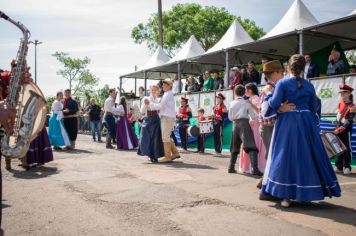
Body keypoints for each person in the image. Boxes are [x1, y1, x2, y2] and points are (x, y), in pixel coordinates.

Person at [261, 54, 341, 208]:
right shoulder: (309, 85)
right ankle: (306, 193)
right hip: (306, 122)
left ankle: (286, 196)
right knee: (307, 156)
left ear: (288, 67)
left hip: (288, 123)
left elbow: (275, 103)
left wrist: (269, 94)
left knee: (286, 156)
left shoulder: (283, 84)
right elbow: (314, 107)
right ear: (304, 67)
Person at [228, 85, 263, 176]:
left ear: (235, 93)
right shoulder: (246, 103)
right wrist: (261, 117)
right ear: (244, 93)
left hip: (235, 124)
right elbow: (254, 115)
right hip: (244, 124)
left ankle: (231, 167)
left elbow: (230, 117)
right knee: (251, 145)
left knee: (234, 146)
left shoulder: (232, 103)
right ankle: (255, 169)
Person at [239, 83, 266, 175]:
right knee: (247, 144)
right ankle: (247, 166)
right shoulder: (249, 99)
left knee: (254, 144)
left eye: (246, 90)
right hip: (249, 124)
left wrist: (250, 104)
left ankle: (255, 166)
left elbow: (259, 111)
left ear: (250, 90)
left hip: (255, 125)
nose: (245, 92)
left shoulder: (256, 98)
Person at [156, 78, 180, 163]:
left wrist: (150, 105)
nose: (163, 85)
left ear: (170, 86)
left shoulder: (167, 94)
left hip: (167, 117)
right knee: (167, 137)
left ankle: (167, 156)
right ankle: (175, 153)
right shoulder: (167, 94)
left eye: (165, 84)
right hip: (167, 117)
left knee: (165, 137)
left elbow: (160, 106)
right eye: (163, 84)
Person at [138, 85, 164, 162]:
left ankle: (155, 156)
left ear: (158, 91)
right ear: (150, 90)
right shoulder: (146, 98)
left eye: (155, 90)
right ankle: (149, 155)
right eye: (152, 90)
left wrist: (150, 105)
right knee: (146, 137)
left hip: (156, 119)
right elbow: (142, 111)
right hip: (147, 119)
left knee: (156, 138)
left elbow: (159, 107)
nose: (154, 91)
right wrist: (146, 105)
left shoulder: (159, 99)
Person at [333, 84, 355, 175]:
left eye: (343, 93)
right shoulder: (340, 103)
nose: (342, 95)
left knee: (346, 148)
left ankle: (347, 166)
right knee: (339, 148)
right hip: (339, 128)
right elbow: (338, 115)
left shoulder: (353, 107)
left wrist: (340, 129)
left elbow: (349, 121)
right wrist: (335, 121)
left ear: (349, 93)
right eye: (341, 93)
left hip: (346, 130)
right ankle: (339, 166)